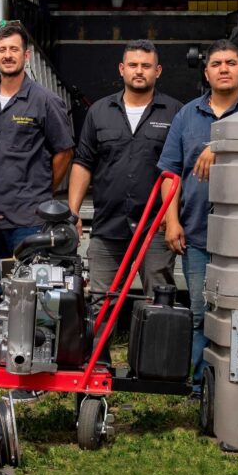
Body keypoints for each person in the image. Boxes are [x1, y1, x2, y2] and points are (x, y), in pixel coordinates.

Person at [68, 40, 183, 342]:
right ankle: (97, 372)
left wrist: (172, 220)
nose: (139, 71)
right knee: (99, 304)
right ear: (122, 69)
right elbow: (82, 163)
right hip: (109, 226)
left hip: (154, 229)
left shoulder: (175, 113)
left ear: (157, 71)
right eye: (133, 65)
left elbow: (178, 172)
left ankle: (154, 370)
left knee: (159, 302)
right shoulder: (100, 112)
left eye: (146, 66)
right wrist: (73, 212)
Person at [158, 39, 238, 395]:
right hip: (197, 234)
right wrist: (172, 221)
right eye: (217, 63)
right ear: (207, 71)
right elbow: (170, 175)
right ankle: (201, 388)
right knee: (201, 313)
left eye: (231, 62)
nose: (224, 68)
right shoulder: (186, 115)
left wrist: (218, 146)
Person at [0, 23, 74, 312]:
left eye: (14, 50)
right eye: (2, 50)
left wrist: (43, 191)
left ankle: (29, 354)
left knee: (30, 296)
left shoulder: (44, 101)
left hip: (28, 219)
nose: (8, 55)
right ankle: (1, 348)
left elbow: (65, 151)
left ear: (26, 56)